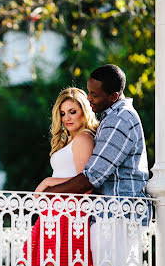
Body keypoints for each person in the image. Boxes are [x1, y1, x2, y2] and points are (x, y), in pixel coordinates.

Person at [40, 64, 150, 265]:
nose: (89, 98)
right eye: (89, 92)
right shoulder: (112, 117)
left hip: (119, 214)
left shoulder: (119, 120)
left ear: (114, 96)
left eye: (94, 94)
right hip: (110, 214)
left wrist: (47, 194)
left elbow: (91, 178)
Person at [22, 87, 98, 266]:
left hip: (70, 213)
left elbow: (85, 182)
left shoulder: (84, 138)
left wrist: (48, 182)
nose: (67, 118)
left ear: (84, 111)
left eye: (73, 112)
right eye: (63, 113)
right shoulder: (69, 140)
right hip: (56, 211)